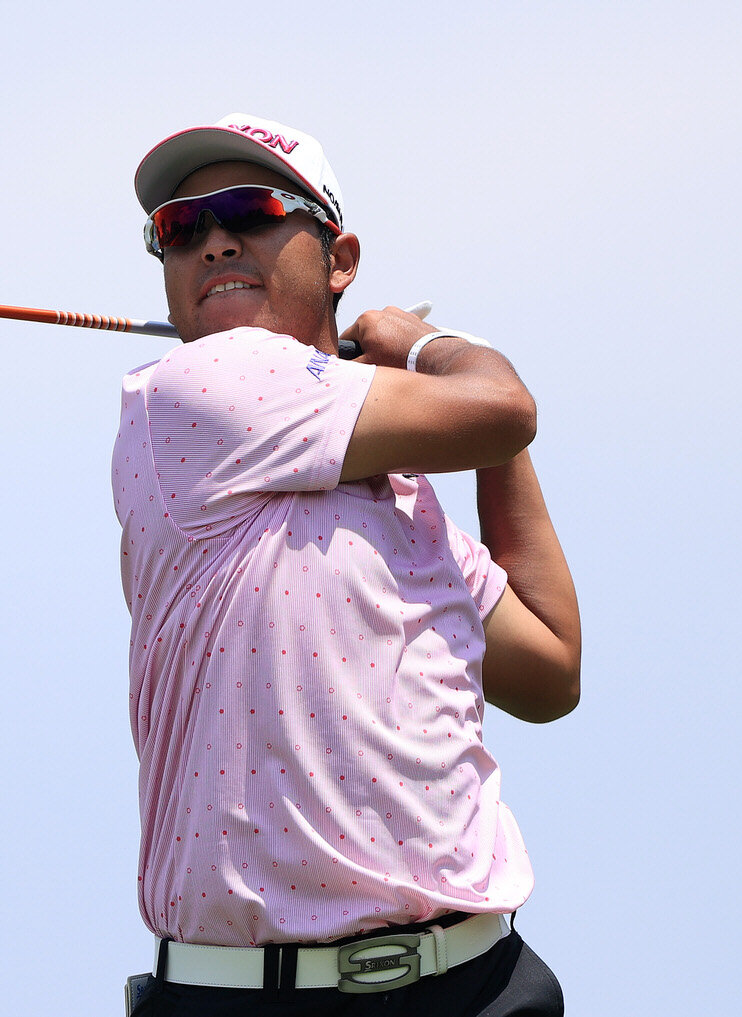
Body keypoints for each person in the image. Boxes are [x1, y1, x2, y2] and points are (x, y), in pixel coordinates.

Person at [112, 114, 582, 1016]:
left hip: (477, 983)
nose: (214, 241)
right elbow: (504, 403)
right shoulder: (196, 391)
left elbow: (550, 667)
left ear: (339, 259)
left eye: (249, 211)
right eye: (180, 228)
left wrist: (459, 419)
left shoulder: (401, 494)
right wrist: (431, 350)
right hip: (253, 1000)